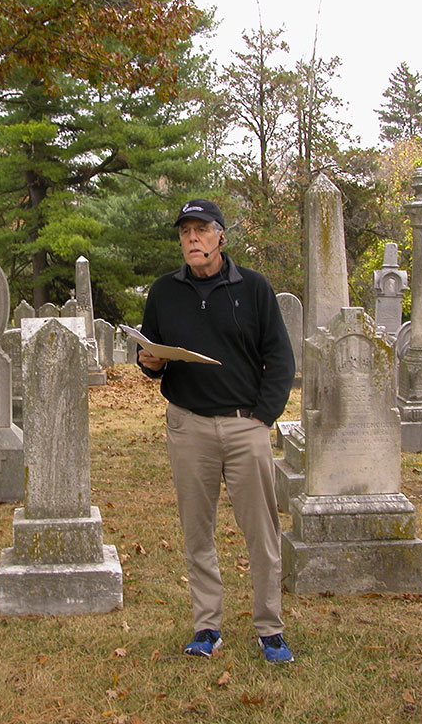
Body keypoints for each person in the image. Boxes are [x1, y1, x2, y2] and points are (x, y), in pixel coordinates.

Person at [137, 199, 295, 663]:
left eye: (201, 230)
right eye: (185, 231)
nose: (192, 239)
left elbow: (280, 359)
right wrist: (149, 361)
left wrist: (263, 416)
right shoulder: (164, 292)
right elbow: (149, 356)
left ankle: (270, 628)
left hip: (246, 425)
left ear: (220, 236)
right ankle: (207, 626)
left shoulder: (254, 288)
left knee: (261, 533)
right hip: (189, 426)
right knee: (197, 531)